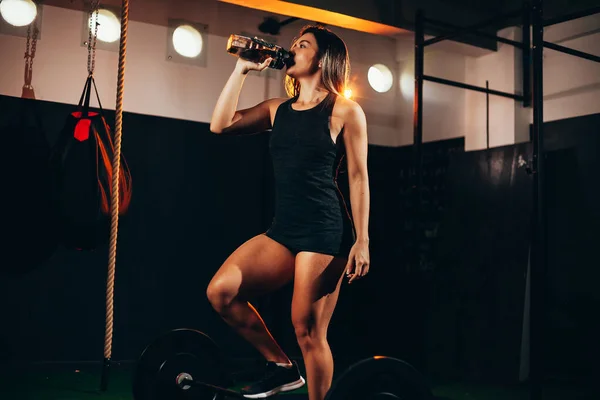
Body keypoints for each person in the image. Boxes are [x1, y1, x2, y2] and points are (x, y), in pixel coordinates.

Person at [207, 25, 370, 400]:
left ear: (322, 58)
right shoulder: (276, 110)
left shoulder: (345, 109)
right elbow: (220, 124)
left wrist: (362, 239)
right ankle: (281, 367)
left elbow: (359, 178)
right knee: (221, 291)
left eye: (303, 45)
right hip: (285, 229)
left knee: (307, 330)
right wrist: (241, 71)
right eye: (294, 44)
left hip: (325, 230)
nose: (292, 49)